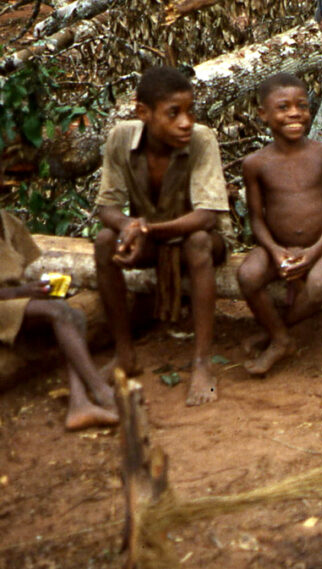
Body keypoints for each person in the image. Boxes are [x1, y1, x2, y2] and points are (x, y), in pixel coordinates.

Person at [94, 66, 232, 406]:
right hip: (151, 240)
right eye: (174, 113)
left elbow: (207, 216)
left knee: (198, 241)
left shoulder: (201, 139)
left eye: (190, 112)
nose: (186, 122)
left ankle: (202, 364)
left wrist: (145, 229)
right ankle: (124, 353)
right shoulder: (121, 138)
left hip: (200, 241)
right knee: (102, 242)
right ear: (143, 112)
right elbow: (107, 206)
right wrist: (128, 226)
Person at [236, 73, 322, 375]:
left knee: (321, 283)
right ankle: (282, 339)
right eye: (283, 107)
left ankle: (274, 332)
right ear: (264, 114)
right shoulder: (256, 164)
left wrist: (313, 253)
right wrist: (274, 251)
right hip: (278, 246)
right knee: (247, 275)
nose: (294, 113)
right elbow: (257, 219)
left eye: (301, 105)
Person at [0, 212, 118, 430]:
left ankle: (79, 403)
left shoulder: (8, 222)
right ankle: (103, 393)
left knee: (76, 316)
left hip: (10, 301)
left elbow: (18, 275)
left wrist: (38, 289)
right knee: (59, 311)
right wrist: (21, 292)